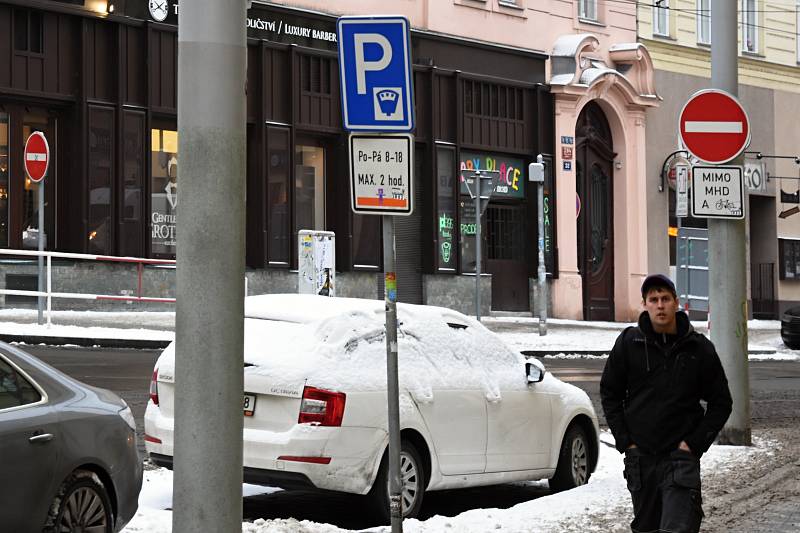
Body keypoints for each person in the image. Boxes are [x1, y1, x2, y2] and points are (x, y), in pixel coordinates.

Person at [600, 273, 733, 533]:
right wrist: (626, 440)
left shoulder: (697, 348)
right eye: (653, 299)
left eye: (665, 299)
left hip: (680, 460)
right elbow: (609, 392)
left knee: (677, 528)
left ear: (676, 303)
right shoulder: (629, 344)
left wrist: (693, 444)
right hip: (641, 461)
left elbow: (721, 402)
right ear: (645, 304)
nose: (660, 305)